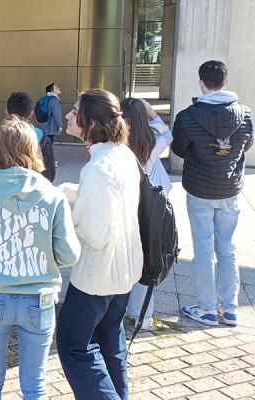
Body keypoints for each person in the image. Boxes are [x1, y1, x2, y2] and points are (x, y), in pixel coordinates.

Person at [0, 117, 81, 399]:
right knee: (35, 384)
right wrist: (44, 261)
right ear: (33, 150)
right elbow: (69, 254)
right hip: (39, 298)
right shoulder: (52, 196)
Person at [55, 89, 142, 400]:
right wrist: (78, 192)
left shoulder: (97, 167)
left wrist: (66, 215)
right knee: (109, 341)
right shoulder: (123, 154)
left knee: (73, 346)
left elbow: (95, 232)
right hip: (125, 269)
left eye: (74, 110)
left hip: (97, 276)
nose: (68, 115)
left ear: (90, 123)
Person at [172, 60, 253, 326]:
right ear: (226, 82)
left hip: (200, 190)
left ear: (201, 83)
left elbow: (179, 149)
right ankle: (230, 309)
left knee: (204, 250)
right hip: (230, 190)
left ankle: (207, 309)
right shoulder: (245, 115)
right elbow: (246, 145)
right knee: (228, 249)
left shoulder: (187, 116)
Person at [121, 98, 173, 329]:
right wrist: (153, 115)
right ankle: (142, 315)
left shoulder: (119, 144)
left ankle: (124, 309)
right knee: (147, 258)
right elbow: (168, 136)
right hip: (153, 207)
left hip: (129, 203)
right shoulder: (151, 141)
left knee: (128, 256)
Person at [0, 92, 55, 181]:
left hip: (2, 188)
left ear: (7, 112)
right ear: (31, 113)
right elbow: (49, 175)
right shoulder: (43, 138)